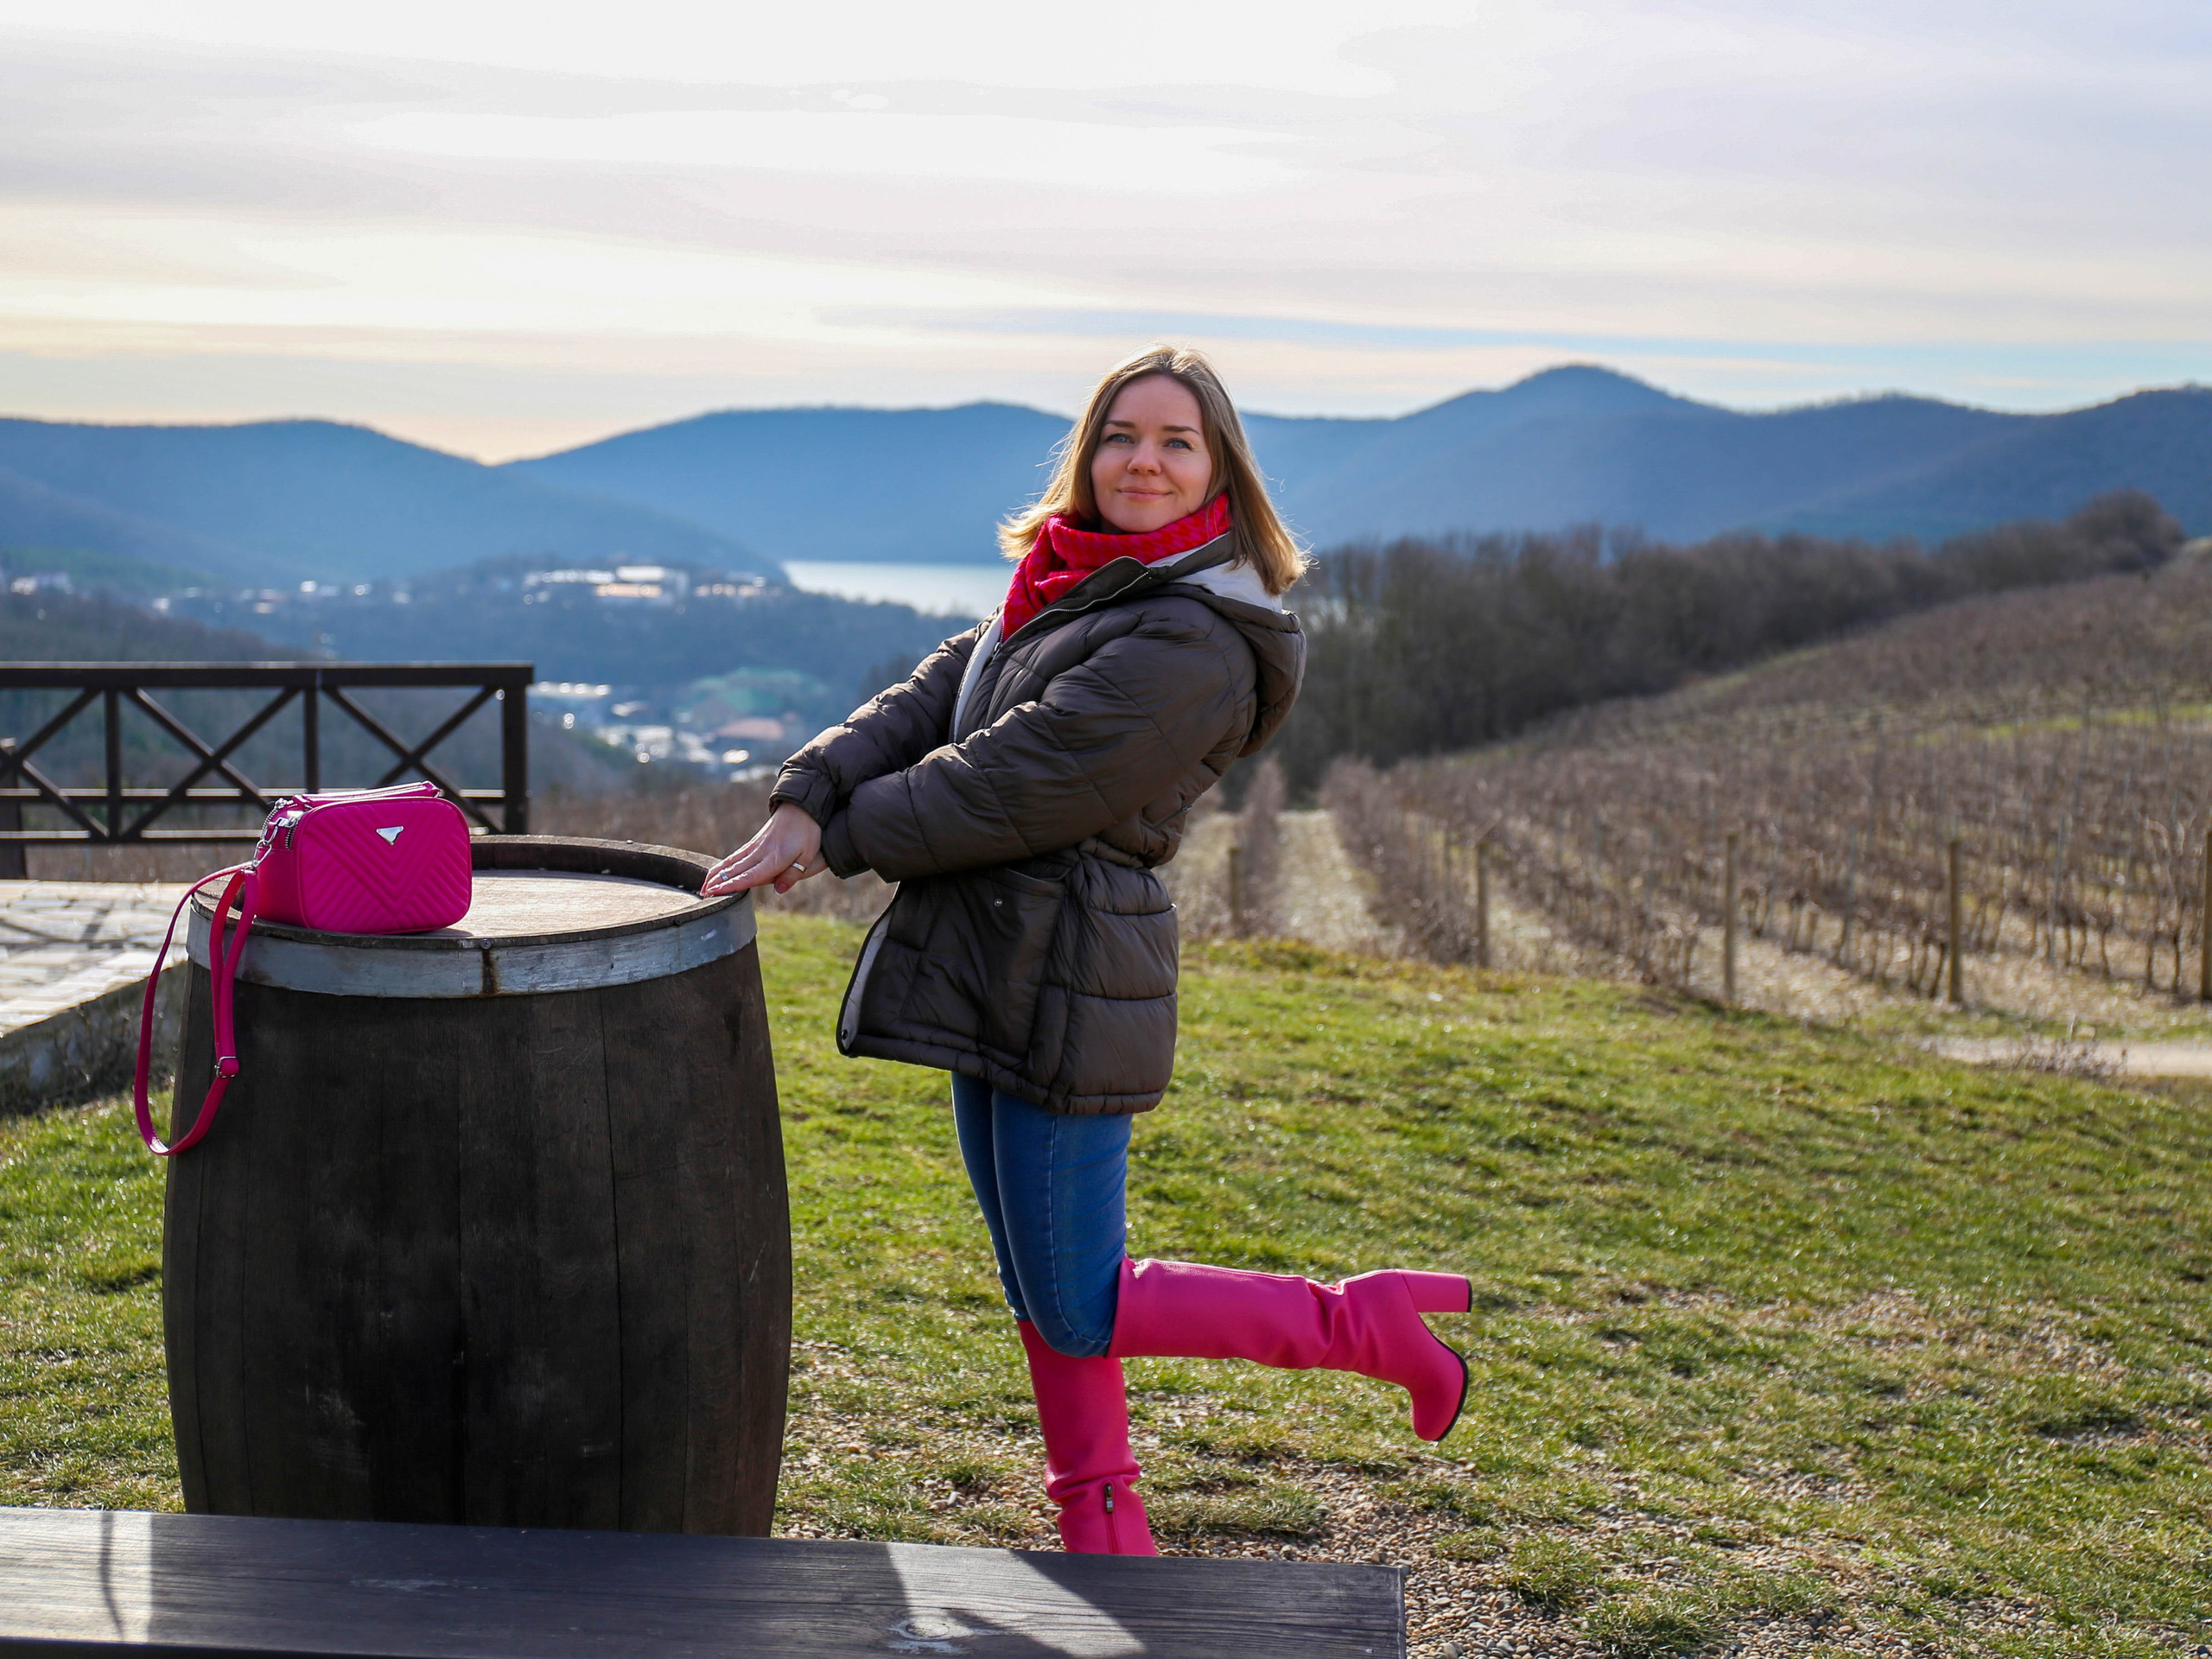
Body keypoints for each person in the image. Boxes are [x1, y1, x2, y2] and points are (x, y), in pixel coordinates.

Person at [705, 344, 1471, 1556]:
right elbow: (947, 687)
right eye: (1122, 435)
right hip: (988, 956)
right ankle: (1104, 1529)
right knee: (1042, 1291)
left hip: (1069, 972)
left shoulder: (1199, 635)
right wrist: (811, 787)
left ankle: (1361, 1327)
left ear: (1220, 469)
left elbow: (1018, 781)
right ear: (1088, 452)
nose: (1144, 462)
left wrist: (836, 837)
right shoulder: (1077, 582)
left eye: (1177, 441)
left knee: (1078, 1293)